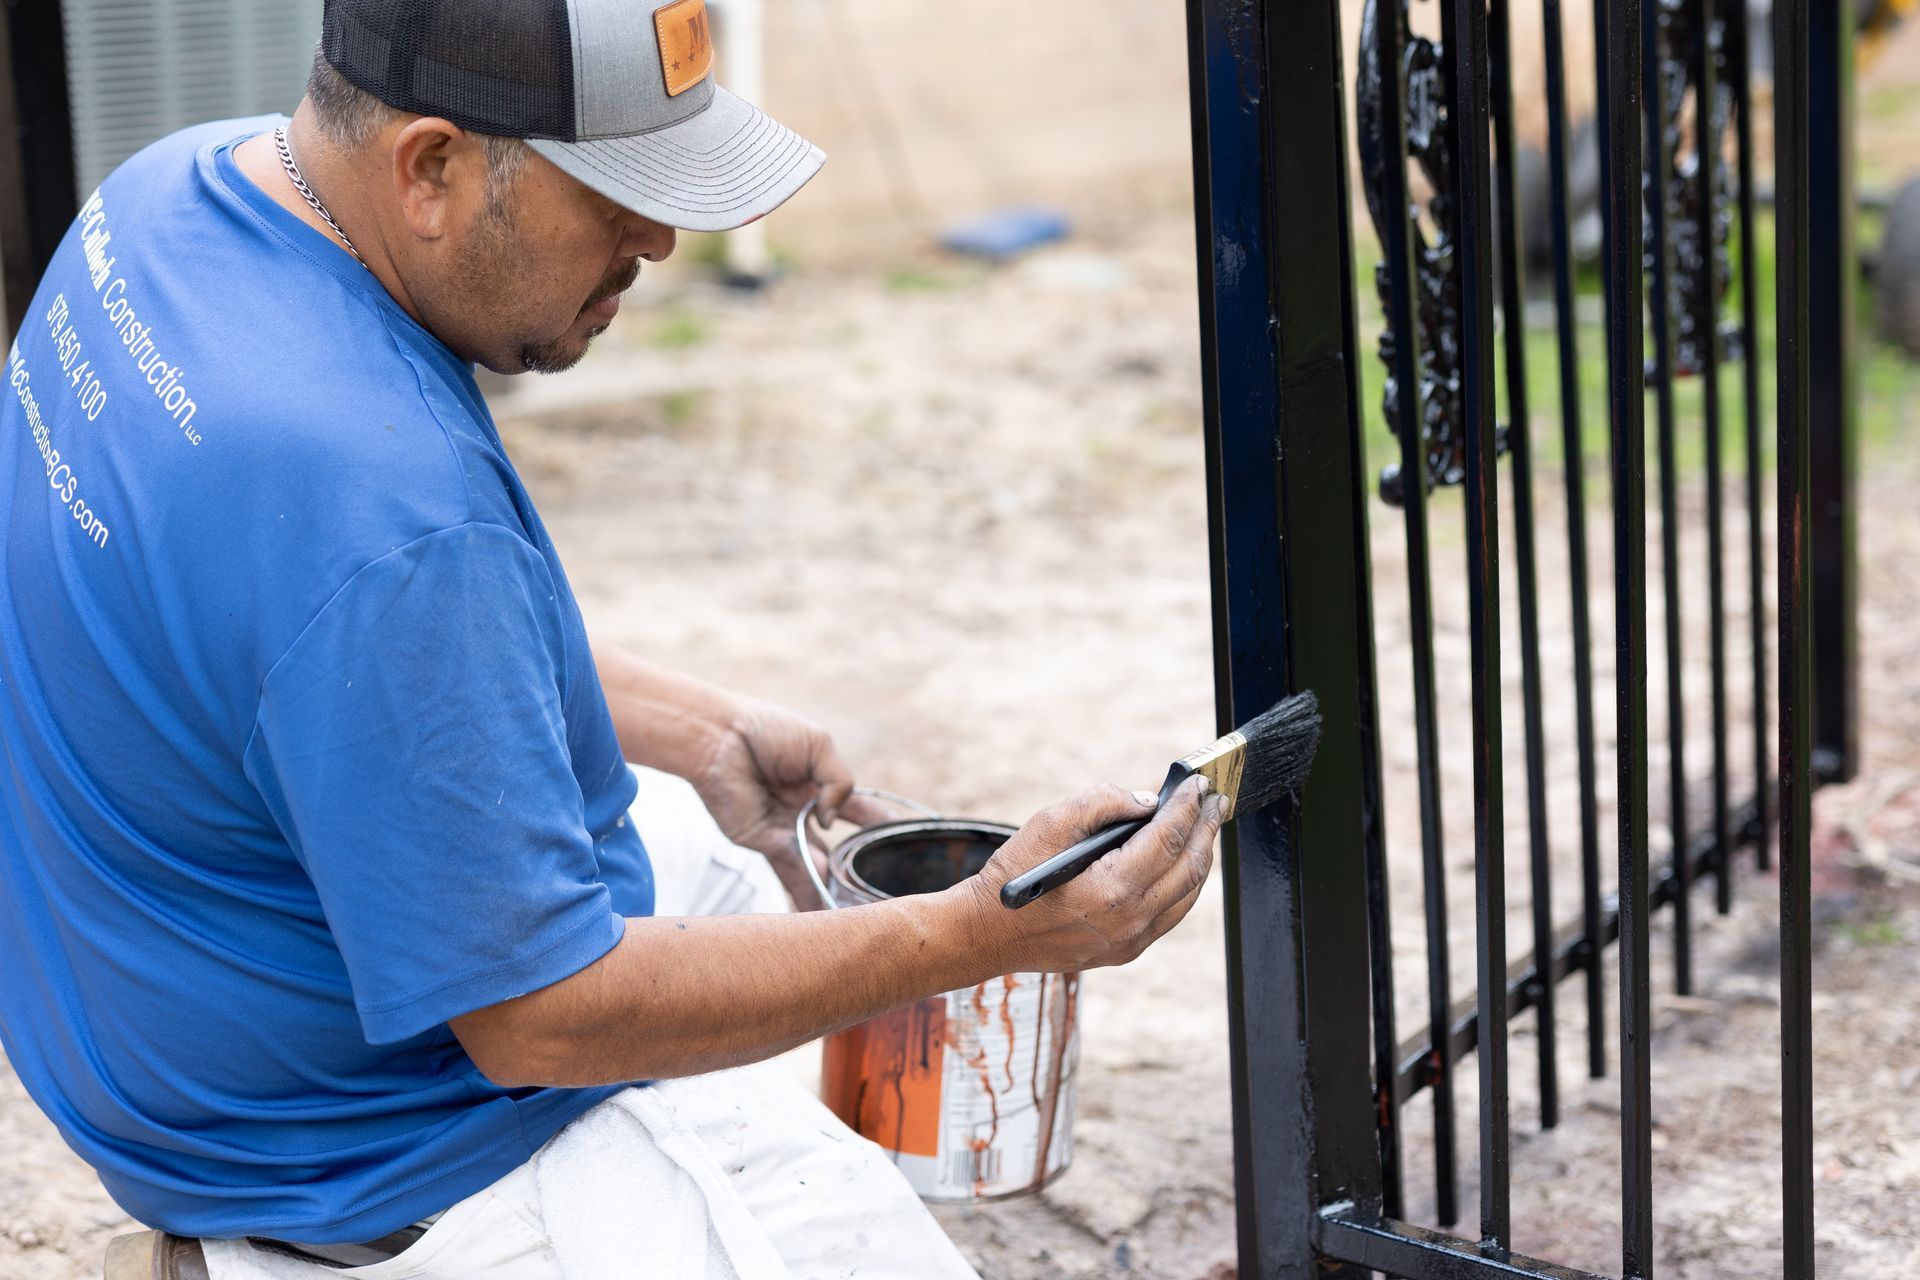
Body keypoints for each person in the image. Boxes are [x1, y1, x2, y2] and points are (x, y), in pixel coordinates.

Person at [0, 3, 1223, 1277]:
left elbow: (299, 641)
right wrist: (980, 934)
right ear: (430, 169)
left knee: (737, 875)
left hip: (147, 995)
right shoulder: (381, 502)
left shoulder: (164, 202)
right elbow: (537, 1017)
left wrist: (690, 727)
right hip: (354, 1149)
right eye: (614, 192)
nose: (662, 238)